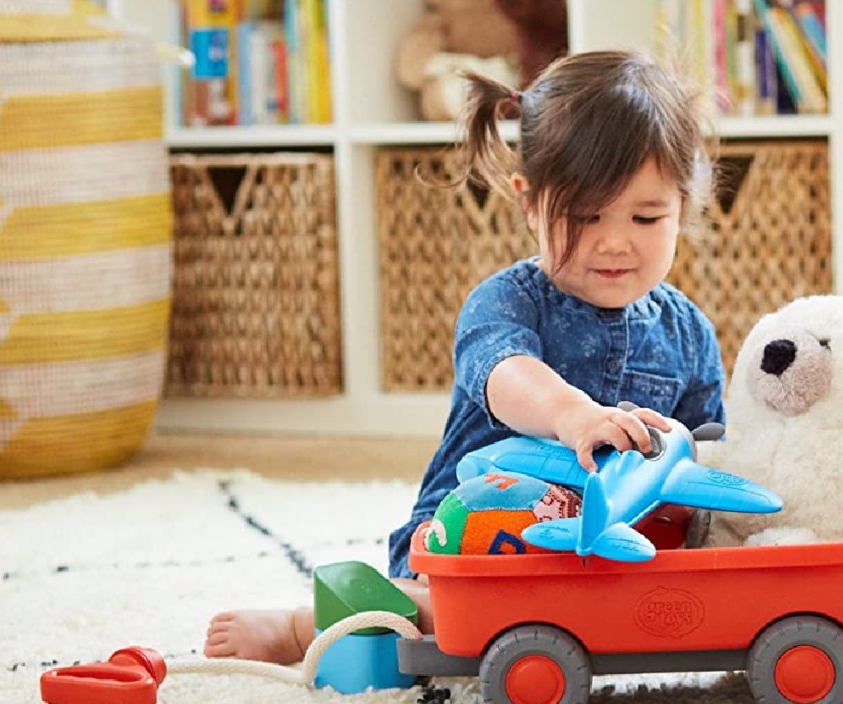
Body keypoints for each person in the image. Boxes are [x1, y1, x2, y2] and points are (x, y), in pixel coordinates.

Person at [204, 49, 726, 664]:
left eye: (645, 216)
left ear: (684, 206)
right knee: (457, 607)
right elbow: (506, 374)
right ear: (529, 201)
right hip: (480, 528)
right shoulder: (506, 302)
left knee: (687, 587)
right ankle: (304, 627)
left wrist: (687, 466)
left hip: (617, 547)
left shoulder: (689, 331)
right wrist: (573, 415)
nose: (614, 241)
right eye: (584, 215)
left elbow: (711, 450)